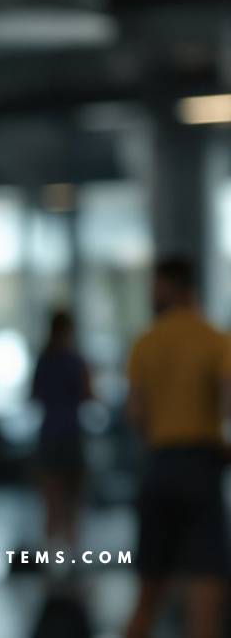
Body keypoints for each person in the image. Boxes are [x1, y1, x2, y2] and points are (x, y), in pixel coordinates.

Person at [123, 256, 230, 638]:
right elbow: (228, 404)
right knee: (205, 590)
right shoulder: (214, 339)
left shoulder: (145, 343)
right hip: (201, 466)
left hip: (159, 466)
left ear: (169, 288)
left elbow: (135, 413)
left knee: (149, 593)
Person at [30, 310, 93, 555]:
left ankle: (52, 556)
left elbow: (33, 395)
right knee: (72, 503)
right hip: (69, 435)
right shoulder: (75, 361)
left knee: (51, 502)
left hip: (49, 435)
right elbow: (88, 394)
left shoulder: (44, 360)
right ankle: (71, 553)